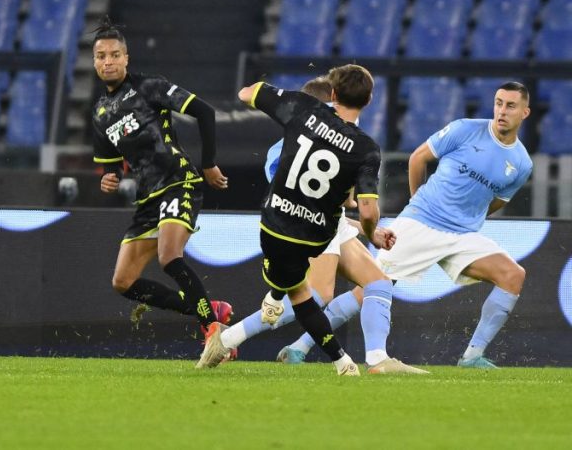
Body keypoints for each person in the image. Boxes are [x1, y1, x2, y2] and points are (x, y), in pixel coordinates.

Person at [217, 77, 425, 374]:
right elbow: (308, 200)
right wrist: (361, 219)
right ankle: (227, 338)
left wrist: (365, 229)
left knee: (378, 282)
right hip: (308, 225)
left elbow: (338, 202)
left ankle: (376, 359)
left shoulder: (316, 134)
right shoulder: (296, 145)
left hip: (331, 221)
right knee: (317, 295)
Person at [90, 17, 233, 339]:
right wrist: (109, 179)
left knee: (169, 257)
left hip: (178, 181)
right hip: (147, 196)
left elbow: (205, 111)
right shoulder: (100, 113)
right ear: (95, 62)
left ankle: (214, 334)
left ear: (126, 58)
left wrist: (208, 163)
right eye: (101, 56)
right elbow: (112, 167)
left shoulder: (150, 87)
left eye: (114, 55)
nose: (108, 61)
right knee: (123, 282)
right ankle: (210, 310)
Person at [377, 81, 533, 369]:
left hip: (461, 234)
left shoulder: (522, 163)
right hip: (421, 221)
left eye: (510, 106)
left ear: (525, 112)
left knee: (513, 275)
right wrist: (417, 202)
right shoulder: (465, 129)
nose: (502, 111)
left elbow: (496, 201)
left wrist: (469, 217)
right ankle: (303, 344)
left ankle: (472, 357)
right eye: (498, 103)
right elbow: (418, 158)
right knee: (372, 284)